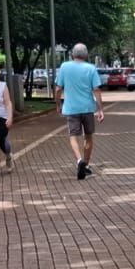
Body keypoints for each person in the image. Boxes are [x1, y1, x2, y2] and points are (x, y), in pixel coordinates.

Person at [54, 43, 104, 180]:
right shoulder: (91, 68)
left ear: (72, 55)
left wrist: (58, 104)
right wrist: (100, 109)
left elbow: (58, 89)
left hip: (71, 108)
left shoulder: (65, 67)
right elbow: (96, 90)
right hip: (87, 108)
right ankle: (86, 165)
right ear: (87, 55)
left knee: (73, 136)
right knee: (88, 137)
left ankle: (79, 160)